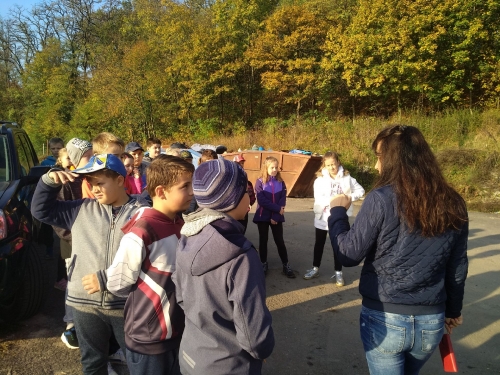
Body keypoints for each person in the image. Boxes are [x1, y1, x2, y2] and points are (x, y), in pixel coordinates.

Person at [328, 125, 468, 375]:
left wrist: (337, 212)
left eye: (379, 158)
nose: (376, 167)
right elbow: (457, 266)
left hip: (385, 318)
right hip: (431, 321)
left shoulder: (381, 198)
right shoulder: (454, 201)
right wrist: (453, 310)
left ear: (394, 159)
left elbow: (348, 254)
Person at [31, 154, 148, 375]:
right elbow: (40, 210)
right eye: (90, 183)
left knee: (137, 363)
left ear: (121, 181)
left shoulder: (141, 211)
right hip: (85, 303)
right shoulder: (80, 209)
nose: (94, 189)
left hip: (127, 303)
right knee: (93, 363)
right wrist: (48, 184)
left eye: (100, 183)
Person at [173, 158, 274, 374]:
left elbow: (181, 297)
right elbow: (253, 333)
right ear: (231, 199)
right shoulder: (241, 255)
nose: (250, 197)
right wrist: (261, 351)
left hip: (191, 356)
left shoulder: (187, 236)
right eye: (246, 190)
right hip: (230, 365)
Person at [103, 156, 194, 375]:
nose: (192, 192)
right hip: (149, 340)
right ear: (161, 192)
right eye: (185, 186)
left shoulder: (180, 222)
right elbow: (117, 283)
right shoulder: (142, 231)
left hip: (177, 333)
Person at [303, 152, 365, 285]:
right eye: (328, 165)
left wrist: (347, 199)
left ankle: (338, 272)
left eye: (334, 164)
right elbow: (318, 198)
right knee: (319, 243)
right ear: (324, 165)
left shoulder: (347, 178)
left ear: (338, 162)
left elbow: (361, 191)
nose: (332, 167)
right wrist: (334, 200)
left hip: (340, 218)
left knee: (339, 244)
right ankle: (315, 268)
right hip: (323, 217)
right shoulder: (319, 180)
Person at [253, 156, 295, 278]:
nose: (275, 169)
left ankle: (286, 264)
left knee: (279, 241)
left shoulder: (281, 183)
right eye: (272, 167)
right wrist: (277, 209)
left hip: (277, 217)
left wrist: (276, 216)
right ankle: (263, 263)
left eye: (276, 167)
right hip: (263, 216)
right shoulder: (259, 182)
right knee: (263, 241)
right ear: (266, 168)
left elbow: (282, 200)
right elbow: (261, 200)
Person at [82, 132, 125, 199]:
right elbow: (90, 206)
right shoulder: (89, 182)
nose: (119, 160)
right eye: (114, 156)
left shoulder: (123, 175)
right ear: (97, 157)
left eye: (121, 157)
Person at [183, 149, 218, 215]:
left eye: (214, 163)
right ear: (202, 163)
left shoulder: (219, 177)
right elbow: (191, 207)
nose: (211, 167)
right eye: (208, 163)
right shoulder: (196, 176)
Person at [233, 155, 256, 234]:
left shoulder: (248, 183)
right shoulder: (230, 183)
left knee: (242, 233)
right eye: (239, 163)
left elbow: (252, 196)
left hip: (244, 213)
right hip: (232, 213)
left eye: (242, 163)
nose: (241, 165)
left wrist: (248, 204)